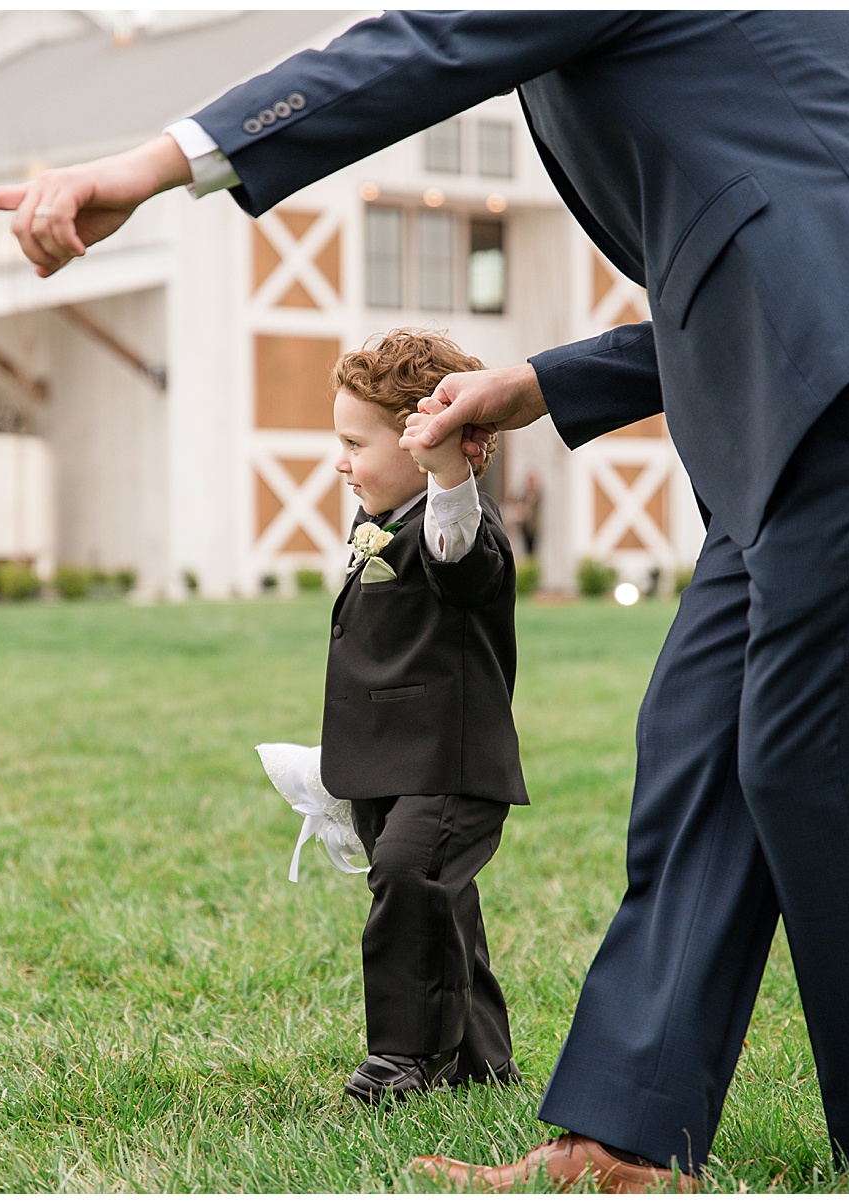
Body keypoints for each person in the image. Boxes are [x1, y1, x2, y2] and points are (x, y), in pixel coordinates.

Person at [0, 11, 849, 1188]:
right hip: (836, 369)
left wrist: (154, 165)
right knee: (699, 746)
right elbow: (749, 262)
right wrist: (539, 383)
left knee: (817, 764)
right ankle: (625, 1138)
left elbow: (429, 45)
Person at [320, 330, 527, 1103]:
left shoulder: (454, 525)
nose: (340, 460)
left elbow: (459, 558)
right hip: (389, 766)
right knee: (445, 908)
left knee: (409, 882)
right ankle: (484, 1061)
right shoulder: (375, 525)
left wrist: (447, 476)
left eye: (353, 442)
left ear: (424, 444)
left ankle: (400, 1058)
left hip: (451, 764)